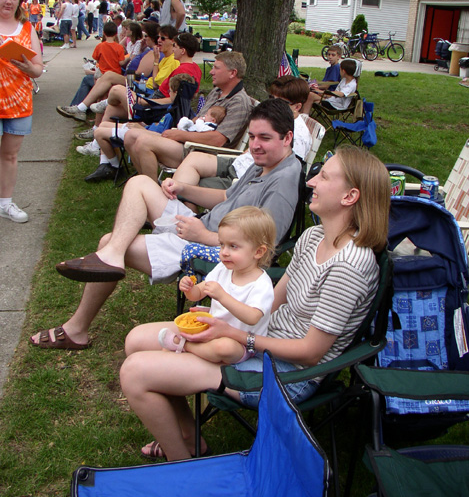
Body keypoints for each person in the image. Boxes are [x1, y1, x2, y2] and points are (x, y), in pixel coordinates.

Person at [118, 145, 391, 461]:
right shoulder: (314, 236)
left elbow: (311, 352)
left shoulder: (351, 266)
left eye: (325, 177)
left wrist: (235, 335)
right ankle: (191, 436)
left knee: (135, 373)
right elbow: (274, 300)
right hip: (259, 340)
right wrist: (227, 315)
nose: (312, 182)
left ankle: (180, 462)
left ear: (349, 197)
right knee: (136, 340)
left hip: (286, 374)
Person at [29, 98, 301, 349]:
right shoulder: (262, 162)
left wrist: (204, 235)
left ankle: (76, 328)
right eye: (252, 137)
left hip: (215, 250)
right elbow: (225, 196)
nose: (255, 145)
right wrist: (182, 188)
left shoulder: (283, 182)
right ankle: (111, 256)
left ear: (288, 137)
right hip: (200, 227)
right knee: (140, 183)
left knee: (109, 242)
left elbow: (266, 246)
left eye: (264, 138)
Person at [159, 206, 275, 364]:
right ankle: (188, 349)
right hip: (213, 330)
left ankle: (185, 346)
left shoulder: (261, 283)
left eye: (233, 246)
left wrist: (222, 296)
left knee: (224, 347)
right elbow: (199, 294)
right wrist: (190, 289)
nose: (224, 252)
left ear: (258, 252)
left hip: (242, 345)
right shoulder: (223, 269)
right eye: (222, 245)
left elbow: (252, 317)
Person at [171, 75, 312, 201]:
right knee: (194, 158)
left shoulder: (297, 135)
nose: (273, 104)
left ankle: (179, 213)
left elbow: (284, 174)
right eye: (271, 98)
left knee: (190, 188)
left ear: (297, 106)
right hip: (238, 163)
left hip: (242, 179)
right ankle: (176, 207)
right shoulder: (275, 119)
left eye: (280, 102)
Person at [124, 51, 252, 182]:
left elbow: (217, 140)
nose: (211, 72)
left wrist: (180, 135)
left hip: (204, 153)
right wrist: (181, 129)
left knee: (144, 142)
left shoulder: (239, 101)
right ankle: (148, 182)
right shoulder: (217, 92)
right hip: (189, 143)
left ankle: (150, 190)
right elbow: (198, 119)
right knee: (130, 136)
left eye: (216, 68)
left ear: (232, 73)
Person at [0, 0, 43, 223]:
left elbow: (38, 68)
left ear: (20, 0)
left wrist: (27, 66)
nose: (8, 1)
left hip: (18, 100)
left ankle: (5, 203)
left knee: (10, 155)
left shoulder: (27, 28)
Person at [56, 21, 126, 122]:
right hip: (115, 73)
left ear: (104, 33)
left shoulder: (100, 46)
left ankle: (85, 112)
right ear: (116, 34)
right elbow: (121, 62)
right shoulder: (119, 47)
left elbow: (96, 59)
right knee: (102, 96)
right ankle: (96, 122)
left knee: (99, 96)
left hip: (102, 73)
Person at [302, 46, 342, 114]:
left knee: (304, 92)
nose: (330, 57)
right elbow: (324, 82)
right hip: (323, 92)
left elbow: (326, 86)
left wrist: (313, 86)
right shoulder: (330, 68)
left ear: (339, 56)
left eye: (333, 55)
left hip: (328, 94)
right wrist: (312, 82)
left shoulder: (336, 68)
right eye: (328, 54)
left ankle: (304, 113)